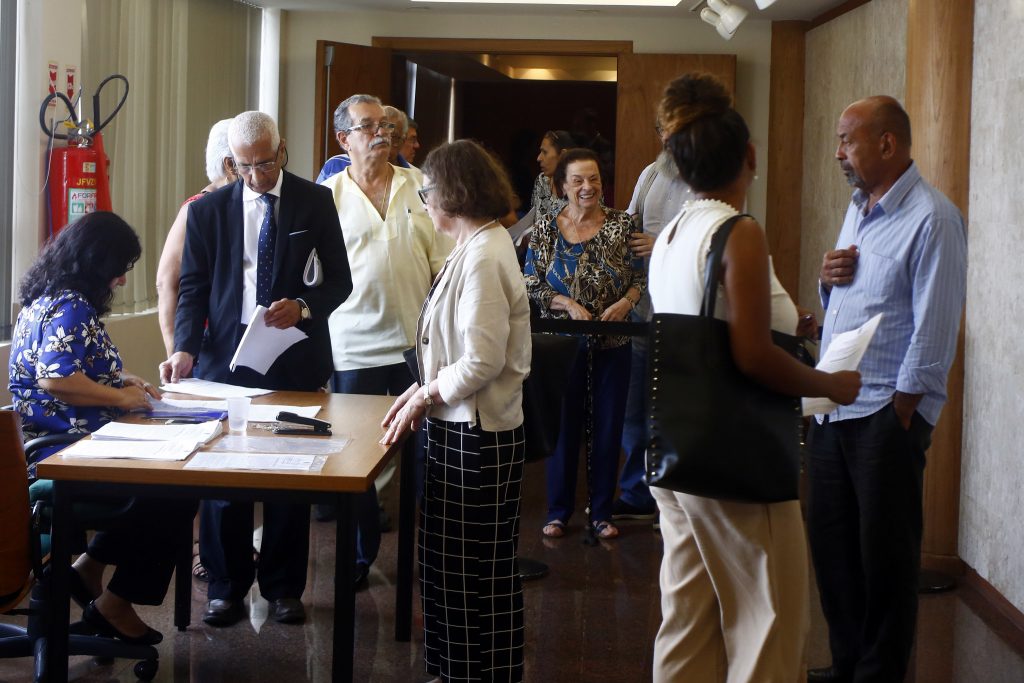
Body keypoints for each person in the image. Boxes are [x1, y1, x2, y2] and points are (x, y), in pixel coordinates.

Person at [646, 73, 861, 682]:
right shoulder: (738, 231)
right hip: (734, 460)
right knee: (768, 617)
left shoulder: (670, 235)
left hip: (680, 450)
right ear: (749, 157)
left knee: (688, 616)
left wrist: (793, 325)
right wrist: (830, 385)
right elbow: (749, 355)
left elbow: (714, 322)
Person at [160, 111, 353, 627]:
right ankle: (225, 588)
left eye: (265, 164)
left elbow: (339, 281)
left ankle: (284, 588)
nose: (255, 177)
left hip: (292, 356)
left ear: (282, 150)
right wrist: (182, 348)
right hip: (226, 357)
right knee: (224, 484)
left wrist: (305, 306)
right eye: (243, 167)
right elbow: (192, 288)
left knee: (289, 477)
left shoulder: (315, 200)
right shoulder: (210, 210)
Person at [806, 96, 968, 683]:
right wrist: (827, 284)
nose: (838, 152)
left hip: (884, 412)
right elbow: (852, 301)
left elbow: (935, 325)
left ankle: (878, 674)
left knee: (885, 559)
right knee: (833, 549)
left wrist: (904, 409)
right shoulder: (857, 208)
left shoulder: (933, 218)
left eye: (847, 140)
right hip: (834, 406)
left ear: (887, 144)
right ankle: (848, 661)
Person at [380, 139, 531, 683]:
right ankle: (456, 671)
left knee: (467, 577)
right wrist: (417, 390)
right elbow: (444, 350)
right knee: (449, 573)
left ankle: (470, 675)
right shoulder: (473, 247)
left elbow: (482, 361)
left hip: (477, 435)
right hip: (459, 428)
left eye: (427, 192)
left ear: (454, 194)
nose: (424, 202)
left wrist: (424, 394)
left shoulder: (487, 254)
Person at [8, 212, 196, 646]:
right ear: (97, 262)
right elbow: (53, 378)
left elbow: (67, 366)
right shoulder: (71, 305)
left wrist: (118, 377)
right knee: (176, 491)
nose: (122, 282)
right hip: (65, 456)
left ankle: (89, 570)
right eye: (120, 269)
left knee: (165, 487)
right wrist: (119, 398)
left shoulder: (44, 300)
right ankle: (115, 601)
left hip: (51, 449)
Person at [321, 93, 451, 589]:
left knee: (427, 462)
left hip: (417, 352)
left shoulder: (423, 188)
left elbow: (444, 269)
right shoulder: (327, 196)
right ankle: (359, 558)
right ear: (344, 139)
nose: (381, 133)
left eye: (386, 125)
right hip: (352, 349)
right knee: (357, 462)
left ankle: (428, 563)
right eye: (368, 125)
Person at [524, 147, 644, 541]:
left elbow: (641, 277)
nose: (587, 187)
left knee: (608, 427)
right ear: (562, 186)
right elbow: (532, 283)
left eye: (593, 179)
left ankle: (602, 512)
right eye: (577, 180)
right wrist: (568, 304)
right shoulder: (544, 229)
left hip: (613, 341)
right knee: (563, 429)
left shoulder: (623, 225)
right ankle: (559, 512)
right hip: (560, 347)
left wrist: (626, 303)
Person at [612, 120, 693, 524]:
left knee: (670, 409)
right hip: (642, 308)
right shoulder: (649, 174)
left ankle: (672, 498)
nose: (668, 138)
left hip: (683, 316)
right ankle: (636, 491)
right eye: (663, 129)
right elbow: (629, 224)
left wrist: (659, 244)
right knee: (632, 409)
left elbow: (714, 243)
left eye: (677, 129)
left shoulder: (704, 180)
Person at [155, 118, 237, 357]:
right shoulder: (196, 209)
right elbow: (166, 282)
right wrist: (175, 349)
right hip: (204, 342)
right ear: (230, 164)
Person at [531, 129, 574, 220]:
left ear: (563, 155)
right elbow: (538, 222)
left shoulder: (584, 182)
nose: (539, 158)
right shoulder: (542, 180)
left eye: (545, 152)